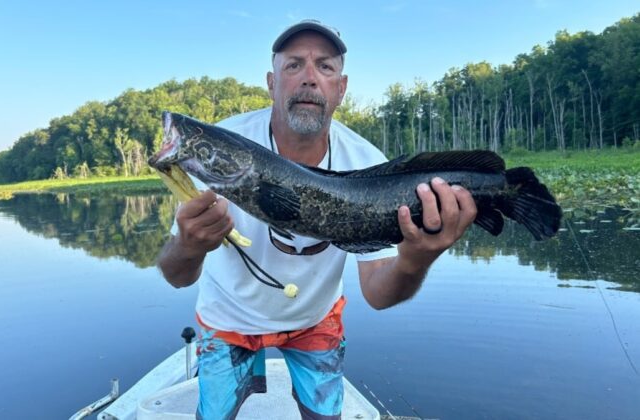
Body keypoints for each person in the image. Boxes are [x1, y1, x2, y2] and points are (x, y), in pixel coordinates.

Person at [156, 19, 477, 420]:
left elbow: (378, 293)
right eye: (294, 65)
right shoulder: (220, 145)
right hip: (227, 318)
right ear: (272, 83)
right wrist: (187, 246)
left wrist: (417, 259)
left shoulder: (368, 166)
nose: (309, 78)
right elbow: (176, 275)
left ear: (341, 89)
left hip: (315, 320)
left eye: (325, 66)